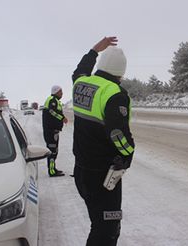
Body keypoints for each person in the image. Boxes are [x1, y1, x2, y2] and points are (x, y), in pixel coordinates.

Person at [72, 36, 135, 246]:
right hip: (103, 176)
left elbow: (79, 71)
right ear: (120, 73)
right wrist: (128, 154)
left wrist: (94, 49)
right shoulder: (114, 93)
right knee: (107, 228)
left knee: (97, 222)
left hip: (81, 171)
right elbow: (118, 134)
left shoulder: (81, 84)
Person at [42, 85, 68, 177]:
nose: (62, 94)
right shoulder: (52, 100)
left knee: (54, 151)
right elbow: (51, 112)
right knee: (52, 151)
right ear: (56, 92)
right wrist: (62, 118)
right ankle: (52, 171)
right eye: (60, 92)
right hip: (51, 131)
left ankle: (53, 168)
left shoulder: (55, 100)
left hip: (53, 131)